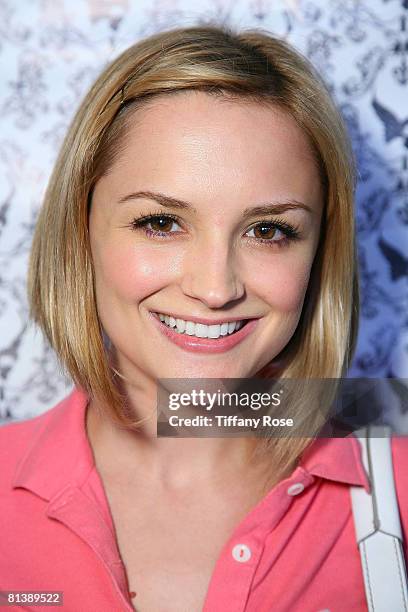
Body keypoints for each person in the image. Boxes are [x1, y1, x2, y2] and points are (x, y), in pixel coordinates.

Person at [0, 23, 407, 612]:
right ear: (80, 232)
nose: (215, 288)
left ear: (320, 254)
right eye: (161, 223)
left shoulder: (397, 498)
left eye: (268, 231)